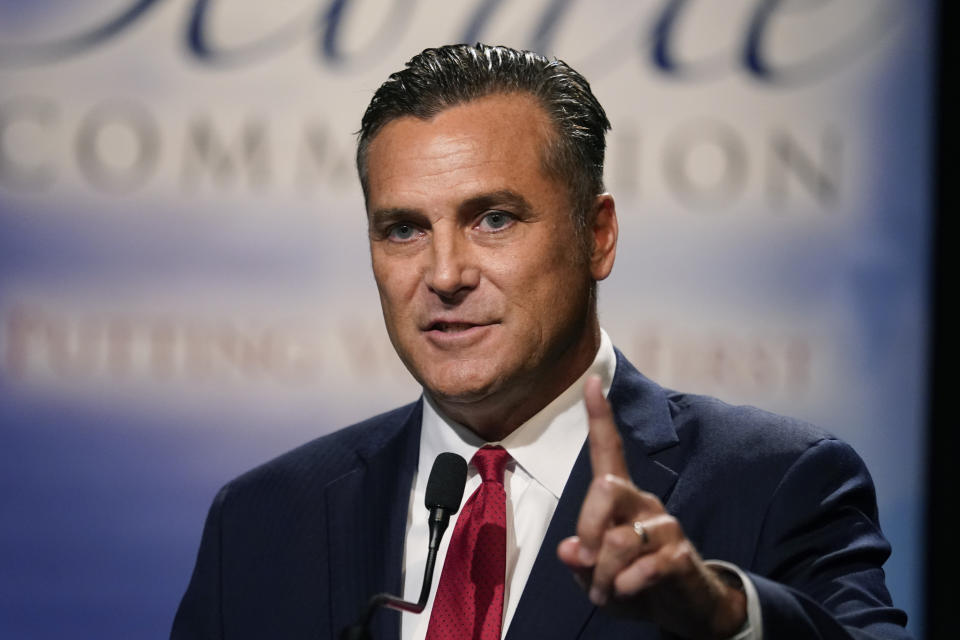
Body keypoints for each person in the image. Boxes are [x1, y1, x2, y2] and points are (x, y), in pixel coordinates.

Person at [171, 43, 911, 640]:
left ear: (598, 235)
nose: (446, 274)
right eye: (404, 229)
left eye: (493, 219)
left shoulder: (779, 484)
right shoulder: (263, 520)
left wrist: (720, 616)